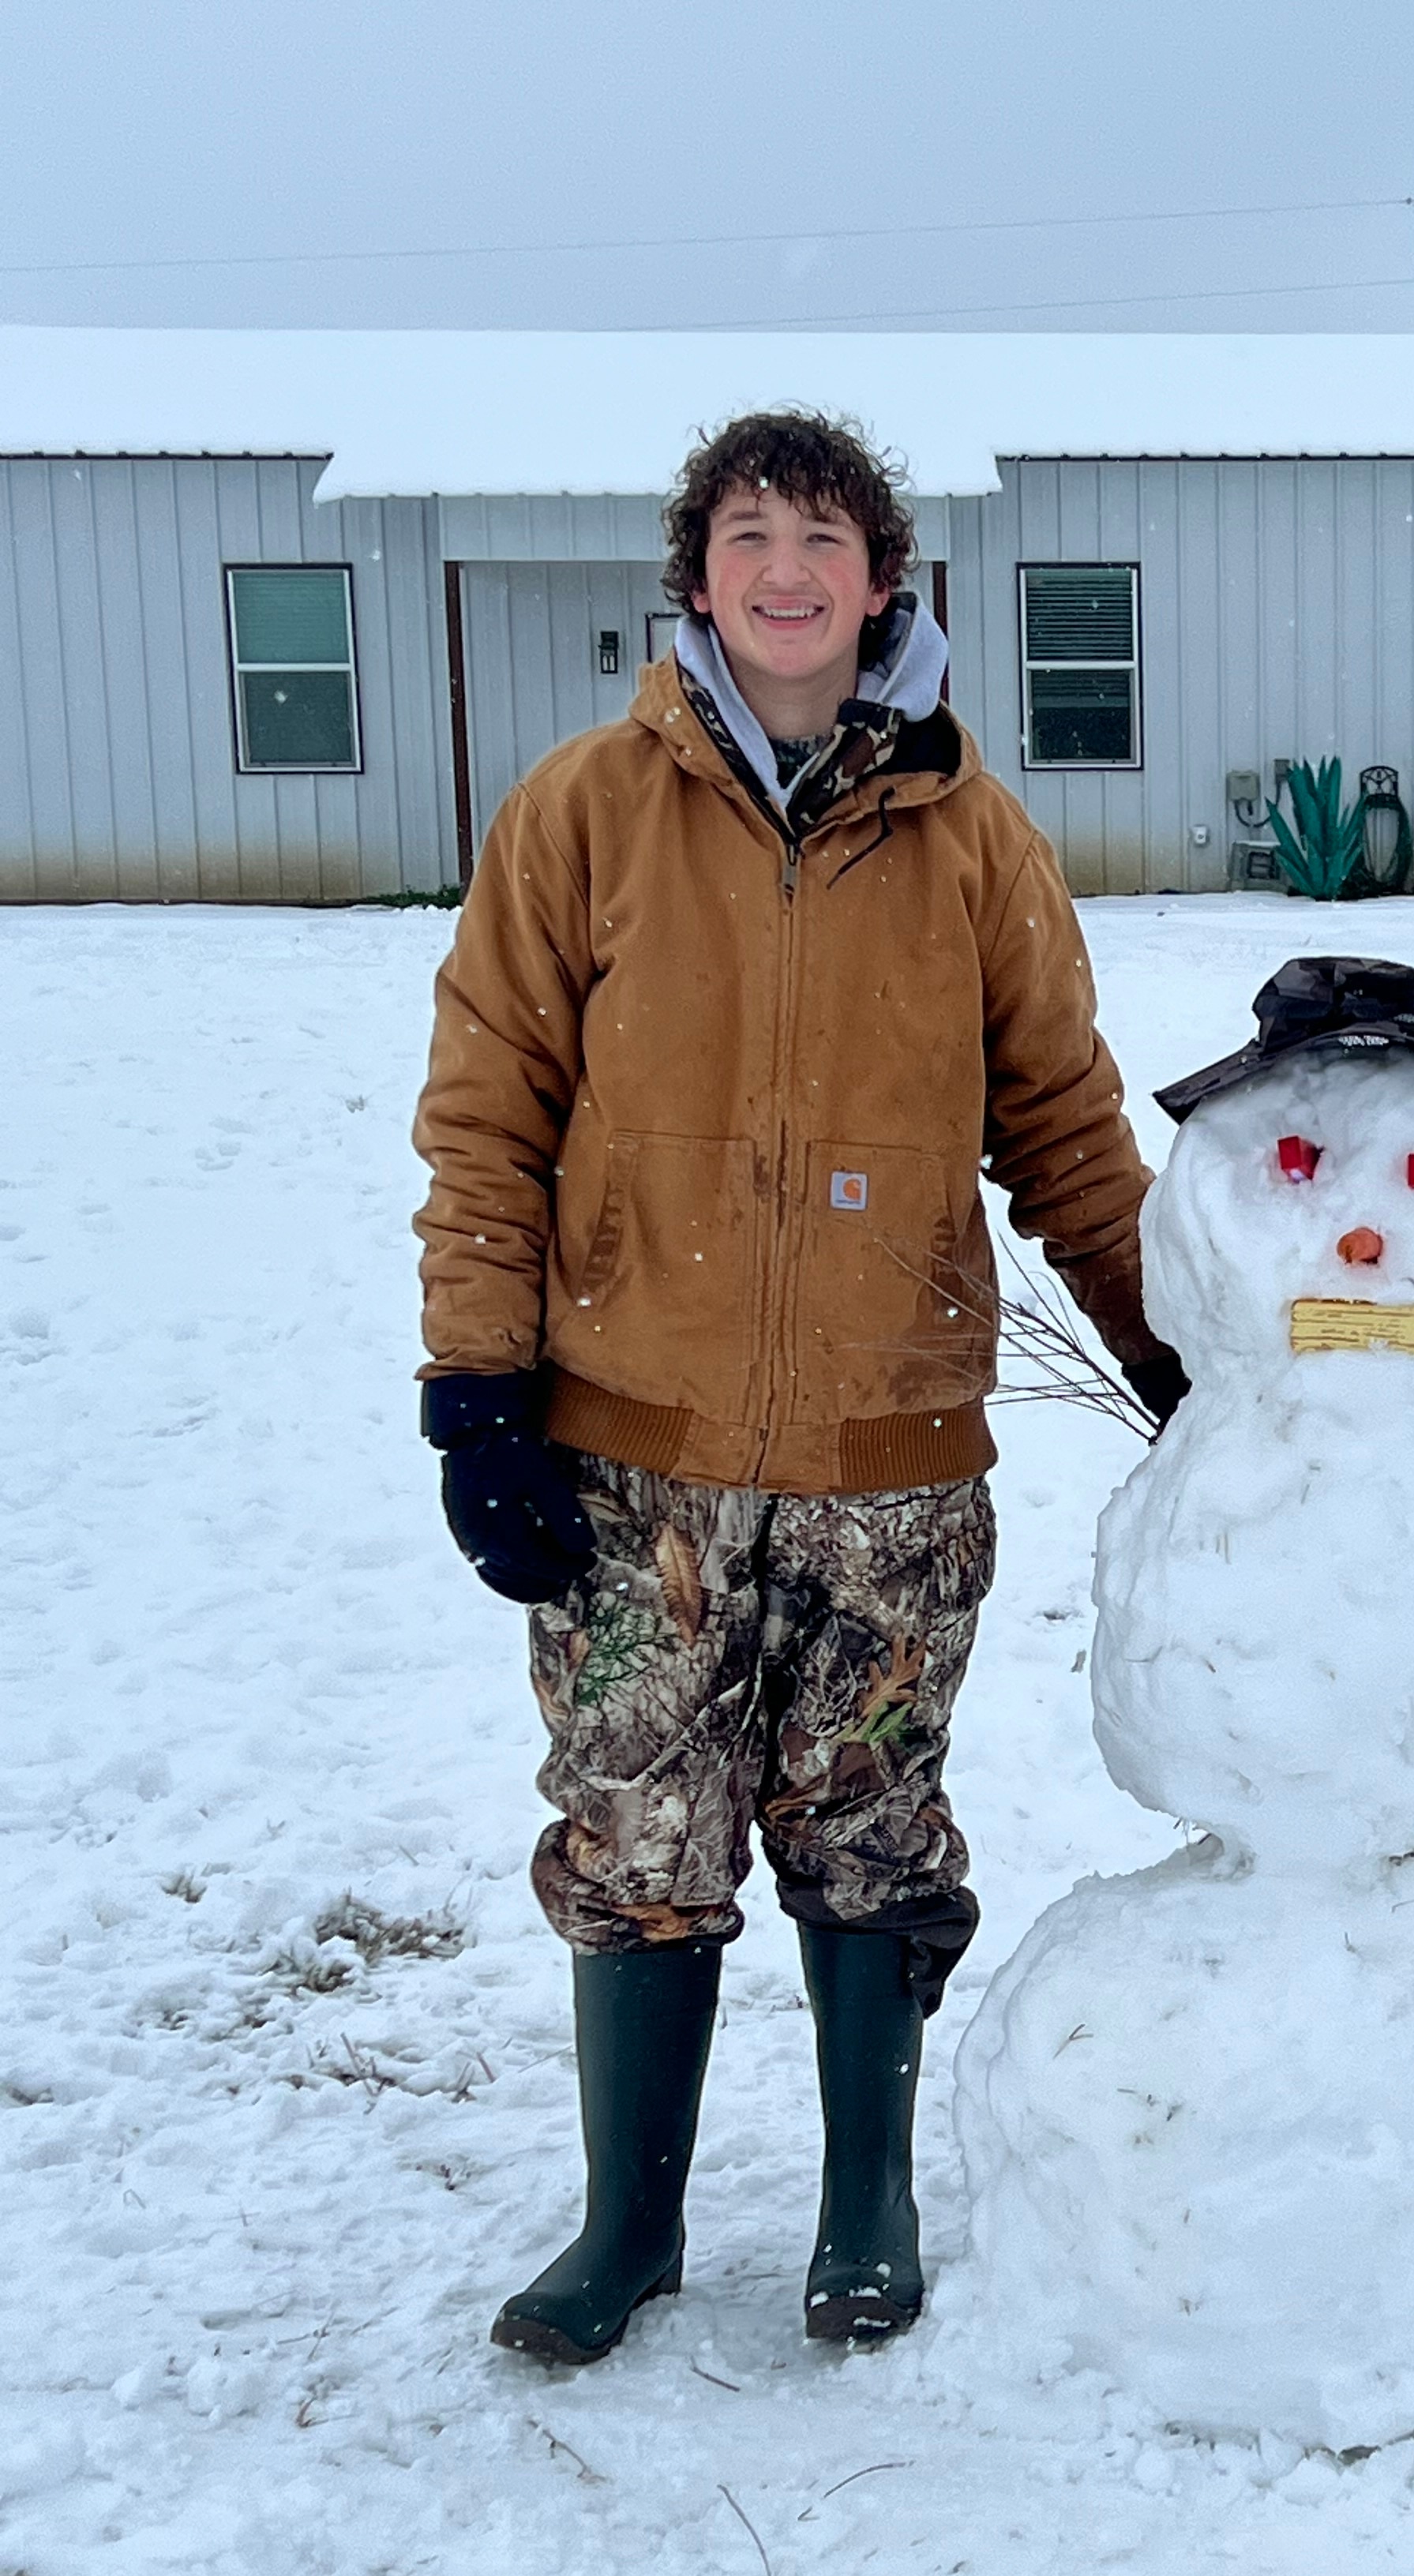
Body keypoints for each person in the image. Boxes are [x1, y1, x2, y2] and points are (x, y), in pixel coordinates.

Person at [413, 408, 1185, 2364]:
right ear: (697, 574)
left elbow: (1071, 1131)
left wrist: (1185, 1356)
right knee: (634, 1844)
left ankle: (868, 2205)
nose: (785, 572)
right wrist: (476, 1388)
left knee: (871, 1832)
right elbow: (488, 1116)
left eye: (822, 539)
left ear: (880, 582)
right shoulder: (583, 813)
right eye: (750, 535)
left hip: (886, 1458)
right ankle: (630, 2231)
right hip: (625, 1449)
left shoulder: (973, 842)